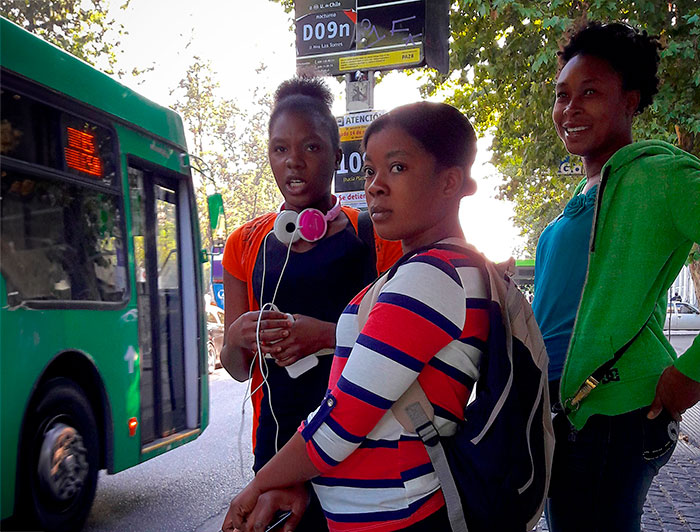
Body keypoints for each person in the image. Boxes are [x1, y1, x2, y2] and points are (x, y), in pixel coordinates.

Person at [221, 101, 490, 532]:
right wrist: (236, 337)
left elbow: (346, 418)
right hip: (309, 462)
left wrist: (259, 487)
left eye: (397, 168)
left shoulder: (419, 268)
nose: (377, 186)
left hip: (379, 494)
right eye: (370, 172)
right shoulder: (247, 243)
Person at [531, 21, 700, 532]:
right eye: (562, 96)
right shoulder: (581, 198)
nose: (570, 108)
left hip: (618, 410)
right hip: (567, 411)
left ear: (629, 100)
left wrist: (687, 378)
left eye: (590, 93)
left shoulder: (659, 175)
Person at [219, 76, 402, 530]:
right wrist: (239, 337)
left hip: (362, 446)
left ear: (338, 157)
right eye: (280, 149)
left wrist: (323, 335)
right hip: (278, 450)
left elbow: (400, 352)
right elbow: (238, 367)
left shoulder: (377, 238)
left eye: (311, 147)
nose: (293, 162)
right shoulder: (244, 243)